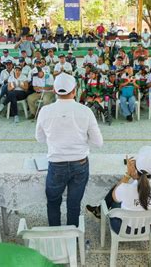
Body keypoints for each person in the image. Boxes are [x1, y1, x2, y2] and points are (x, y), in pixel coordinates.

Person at [36, 73, 103, 227]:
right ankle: (72, 238)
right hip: (80, 164)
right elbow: (98, 142)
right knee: (73, 205)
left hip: (56, 164)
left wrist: (57, 138)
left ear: (54, 90)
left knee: (53, 203)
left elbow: (39, 138)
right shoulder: (85, 111)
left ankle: (56, 237)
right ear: (75, 90)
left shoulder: (45, 111)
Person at [86, 146, 151, 233]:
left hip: (124, 229)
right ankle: (99, 211)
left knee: (116, 192)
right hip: (149, 227)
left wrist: (128, 175)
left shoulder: (125, 189)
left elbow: (114, 195)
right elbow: (144, 187)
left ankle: (99, 212)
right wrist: (137, 178)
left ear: (135, 166)